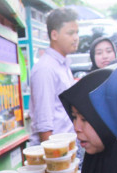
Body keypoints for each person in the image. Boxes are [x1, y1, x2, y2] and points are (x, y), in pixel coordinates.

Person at [28, 7, 79, 145]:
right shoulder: (46, 69)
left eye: (77, 33)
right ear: (54, 35)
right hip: (55, 154)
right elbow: (44, 125)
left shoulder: (63, 65)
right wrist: (55, 161)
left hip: (66, 150)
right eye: (70, 33)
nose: (76, 38)